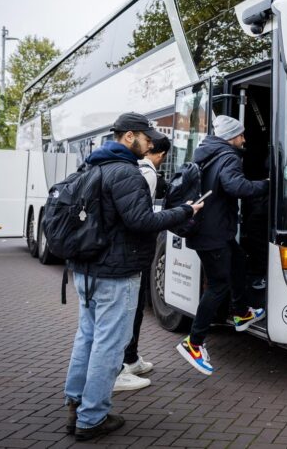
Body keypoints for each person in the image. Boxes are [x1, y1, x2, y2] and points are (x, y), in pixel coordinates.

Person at [64, 113, 203, 441]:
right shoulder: (126, 173)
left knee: (86, 337)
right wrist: (185, 211)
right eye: (146, 137)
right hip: (115, 272)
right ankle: (92, 417)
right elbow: (141, 221)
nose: (151, 143)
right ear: (128, 137)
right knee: (109, 345)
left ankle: (75, 403)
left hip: (86, 268)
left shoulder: (90, 167)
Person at [176, 115, 269, 376]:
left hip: (208, 230)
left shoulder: (207, 153)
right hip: (213, 234)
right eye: (240, 135)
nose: (244, 139)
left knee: (238, 260)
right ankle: (194, 343)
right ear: (231, 137)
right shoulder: (228, 156)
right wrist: (268, 186)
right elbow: (235, 186)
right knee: (218, 285)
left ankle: (241, 312)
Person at [112, 134, 171, 392]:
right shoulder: (146, 174)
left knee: (132, 309)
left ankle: (131, 358)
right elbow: (140, 218)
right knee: (129, 311)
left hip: (126, 253)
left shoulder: (132, 169)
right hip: (131, 253)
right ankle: (122, 365)